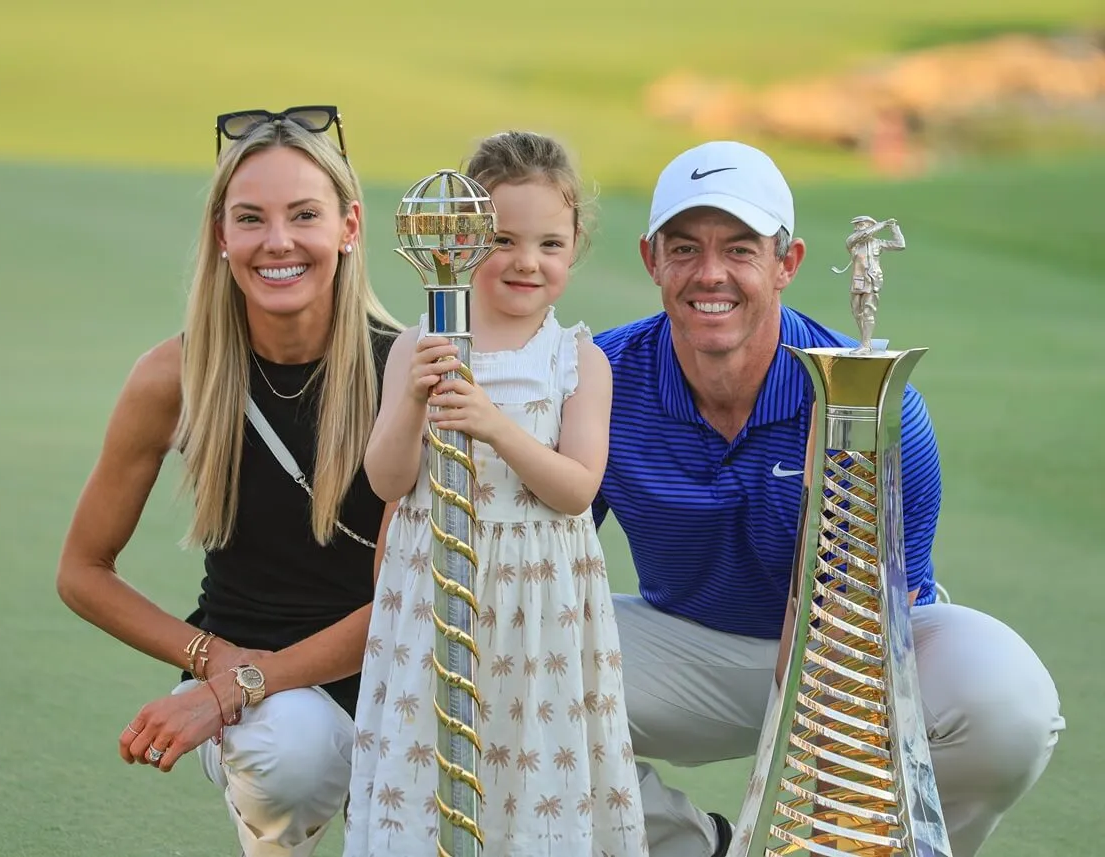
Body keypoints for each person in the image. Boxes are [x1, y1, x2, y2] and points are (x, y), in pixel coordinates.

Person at [591, 140, 1065, 857]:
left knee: (1010, 705)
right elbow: (548, 552)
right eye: (684, 248)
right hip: (688, 649)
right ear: (650, 258)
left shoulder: (873, 402)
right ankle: (695, 847)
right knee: (505, 657)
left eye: (741, 249)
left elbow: (883, 607)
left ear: (789, 263)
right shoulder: (600, 378)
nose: (709, 273)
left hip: (864, 652)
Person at [55, 108, 402, 857]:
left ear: (348, 226)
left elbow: (405, 603)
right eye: (251, 218)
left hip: (396, 671)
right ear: (221, 236)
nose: (278, 242)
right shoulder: (172, 376)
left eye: (304, 215)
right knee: (289, 754)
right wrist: (221, 669)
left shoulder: (406, 374)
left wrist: (229, 690)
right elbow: (83, 571)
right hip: (261, 704)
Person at [343, 131, 647, 857]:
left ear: (574, 247)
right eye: (503, 239)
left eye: (550, 243)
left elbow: (576, 489)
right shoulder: (420, 346)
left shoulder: (577, 358)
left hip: (539, 605)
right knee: (433, 754)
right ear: (464, 240)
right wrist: (414, 399)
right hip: (435, 592)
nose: (526, 261)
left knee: (528, 757)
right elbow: (387, 479)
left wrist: (494, 426)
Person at [831, 214, 906, 352]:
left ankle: (865, 344)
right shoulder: (853, 242)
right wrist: (881, 225)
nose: (857, 228)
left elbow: (900, 245)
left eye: (861, 225)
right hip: (858, 281)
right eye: (856, 225)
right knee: (856, 311)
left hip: (872, 280)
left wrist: (894, 228)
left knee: (868, 311)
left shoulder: (878, 243)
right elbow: (862, 235)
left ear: (870, 225)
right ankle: (866, 341)